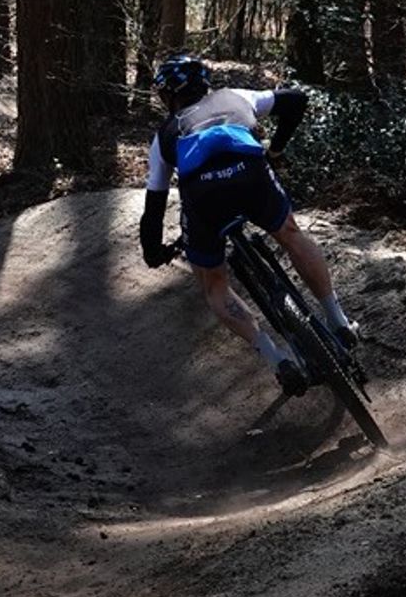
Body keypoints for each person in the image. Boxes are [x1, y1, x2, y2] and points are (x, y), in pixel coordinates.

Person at [138, 52, 358, 397]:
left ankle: (275, 357)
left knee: (213, 283)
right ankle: (338, 319)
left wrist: (153, 250)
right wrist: (276, 149)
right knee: (289, 232)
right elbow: (296, 100)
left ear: (169, 95)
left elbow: (154, 205)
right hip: (251, 176)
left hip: (203, 195)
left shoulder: (165, 133)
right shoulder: (235, 96)